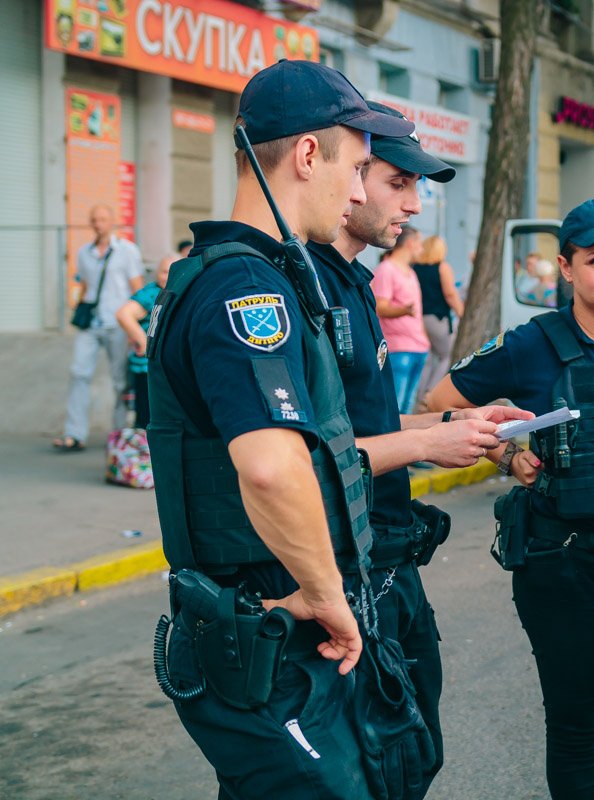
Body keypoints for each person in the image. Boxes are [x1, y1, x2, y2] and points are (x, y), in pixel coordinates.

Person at [145, 60, 432, 798]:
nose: (363, 191)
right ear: (308, 155)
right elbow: (272, 466)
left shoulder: (267, 275)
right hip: (270, 625)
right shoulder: (246, 287)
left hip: (273, 627)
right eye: (359, 167)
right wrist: (325, 592)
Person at [426, 199, 594, 800]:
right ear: (566, 268)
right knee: (577, 732)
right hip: (564, 563)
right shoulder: (530, 345)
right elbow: (435, 404)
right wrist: (504, 452)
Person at [305, 100, 529, 798]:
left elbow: (362, 425)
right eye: (400, 183)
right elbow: (303, 458)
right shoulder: (302, 286)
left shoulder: (354, 281)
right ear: (350, 176)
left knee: (410, 755)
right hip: (344, 578)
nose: (416, 205)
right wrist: (433, 439)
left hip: (390, 564)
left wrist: (460, 424)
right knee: (365, 771)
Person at [54, 204, 145, 451]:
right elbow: (84, 285)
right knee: (79, 373)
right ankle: (75, 435)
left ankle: (118, 436)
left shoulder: (127, 251)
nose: (98, 223)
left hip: (117, 324)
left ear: (112, 221)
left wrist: (135, 328)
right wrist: (78, 307)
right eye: (94, 219)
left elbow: (137, 289)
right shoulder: (84, 252)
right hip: (91, 323)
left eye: (103, 219)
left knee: (120, 382)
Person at [373, 228, 430, 414]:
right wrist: (403, 310)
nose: (421, 248)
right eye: (419, 243)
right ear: (410, 243)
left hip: (418, 347)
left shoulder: (410, 272)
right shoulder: (386, 269)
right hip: (399, 348)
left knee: (407, 404)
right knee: (396, 405)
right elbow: (380, 306)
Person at [115, 255, 172, 429]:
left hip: (162, 367)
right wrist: (144, 342)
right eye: (163, 272)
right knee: (147, 421)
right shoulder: (151, 293)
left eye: (171, 272)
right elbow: (123, 314)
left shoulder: (172, 292)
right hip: (147, 368)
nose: (167, 276)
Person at [412, 234, 465, 408]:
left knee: (429, 357)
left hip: (419, 318)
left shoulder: (415, 268)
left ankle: (420, 395)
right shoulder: (442, 267)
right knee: (445, 355)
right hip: (437, 319)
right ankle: (430, 393)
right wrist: (461, 312)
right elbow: (450, 294)